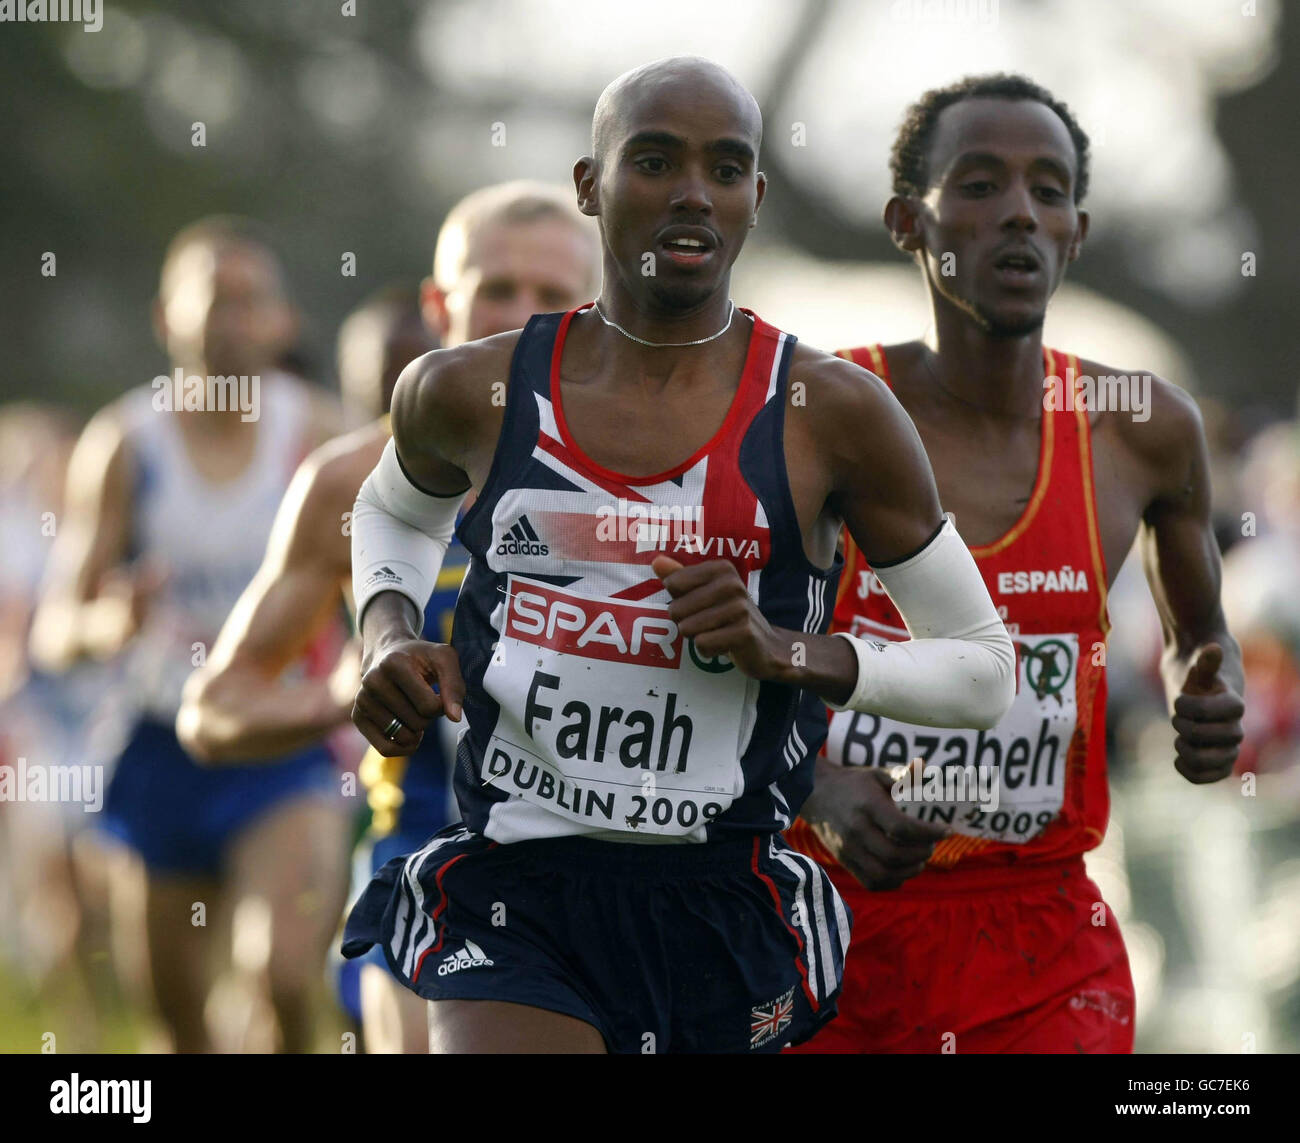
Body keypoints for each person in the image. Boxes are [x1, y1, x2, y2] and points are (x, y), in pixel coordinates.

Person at [341, 56, 1015, 1054]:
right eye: (653, 162)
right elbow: (391, 514)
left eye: (726, 167)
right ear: (589, 185)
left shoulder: (829, 414)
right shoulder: (467, 389)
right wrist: (385, 630)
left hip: (716, 894)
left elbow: (979, 669)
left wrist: (781, 651)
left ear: (754, 196)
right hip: (516, 881)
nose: (692, 193)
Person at [786, 73, 1246, 1053]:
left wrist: (1206, 685)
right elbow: (713, 656)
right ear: (908, 221)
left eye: (1047, 190)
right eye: (980, 184)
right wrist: (815, 789)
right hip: (828, 922)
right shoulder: (816, 411)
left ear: (1075, 232)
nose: (1019, 216)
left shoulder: (1141, 427)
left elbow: (1198, 641)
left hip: (1043, 936)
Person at [177, 182, 602, 1053]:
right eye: (495, 289)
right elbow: (213, 709)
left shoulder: (661, 475)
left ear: (594, 310)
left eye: (551, 297)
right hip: (426, 860)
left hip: (615, 869)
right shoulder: (351, 480)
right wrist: (339, 696)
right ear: (441, 303)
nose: (520, 318)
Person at [30, 217, 346, 1053]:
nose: (237, 320)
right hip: (161, 745)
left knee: (281, 973)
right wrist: (109, 621)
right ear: (168, 318)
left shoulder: (316, 430)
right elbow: (55, 627)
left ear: (282, 321)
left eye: (255, 302)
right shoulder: (127, 444)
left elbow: (380, 574)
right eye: (217, 299)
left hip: (279, 739)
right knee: (178, 1025)